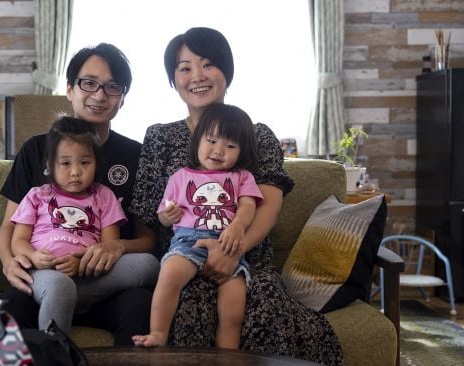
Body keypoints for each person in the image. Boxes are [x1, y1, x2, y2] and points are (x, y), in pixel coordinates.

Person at [129, 27, 343, 364]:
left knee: (263, 298)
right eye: (184, 68)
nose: (196, 76)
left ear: (226, 71)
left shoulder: (258, 135)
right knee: (188, 302)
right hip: (184, 257)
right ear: (173, 79)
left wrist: (232, 251)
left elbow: (267, 205)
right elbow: (151, 212)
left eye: (208, 64)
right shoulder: (160, 136)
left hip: (247, 260)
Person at [0, 43, 158, 345]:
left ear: (122, 99)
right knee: (8, 310)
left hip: (104, 283)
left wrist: (118, 247)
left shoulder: (137, 155)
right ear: (70, 89)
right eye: (88, 83)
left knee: (140, 302)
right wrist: (10, 262)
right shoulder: (35, 150)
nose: (99, 95)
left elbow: (149, 240)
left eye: (112, 87)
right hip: (44, 280)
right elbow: (9, 228)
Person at [10, 117, 158, 333]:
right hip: (45, 274)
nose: (75, 172)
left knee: (148, 264)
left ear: (96, 164)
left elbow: (107, 249)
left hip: (88, 277)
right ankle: (55, 350)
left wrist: (80, 265)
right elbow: (19, 240)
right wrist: (33, 257)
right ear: (50, 165)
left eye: (85, 162)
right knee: (60, 286)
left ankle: (70, 297)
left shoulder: (104, 196)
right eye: (66, 163)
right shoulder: (37, 196)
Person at [133, 103, 263, 349]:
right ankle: (158, 333)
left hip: (228, 247)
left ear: (242, 151)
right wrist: (167, 216)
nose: (218, 151)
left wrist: (237, 227)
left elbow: (248, 206)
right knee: (170, 275)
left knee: (234, 308)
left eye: (231, 146)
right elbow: (162, 213)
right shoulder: (180, 176)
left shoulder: (242, 176)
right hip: (187, 242)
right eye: (211, 140)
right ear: (198, 139)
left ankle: (228, 355)